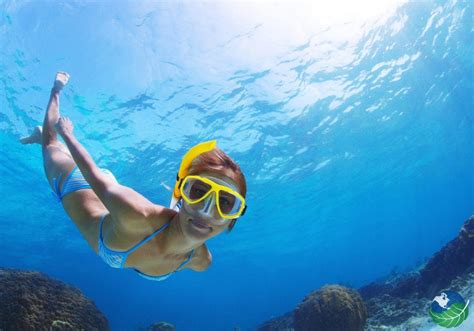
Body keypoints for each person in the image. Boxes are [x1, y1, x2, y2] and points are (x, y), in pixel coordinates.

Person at [21, 72, 248, 281]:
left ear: (233, 219)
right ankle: (55, 92)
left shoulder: (201, 262)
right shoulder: (137, 215)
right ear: (181, 194)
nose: (207, 210)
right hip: (79, 183)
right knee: (52, 144)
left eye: (226, 203)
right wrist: (67, 135)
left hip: (114, 198)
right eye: (198, 191)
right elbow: (91, 173)